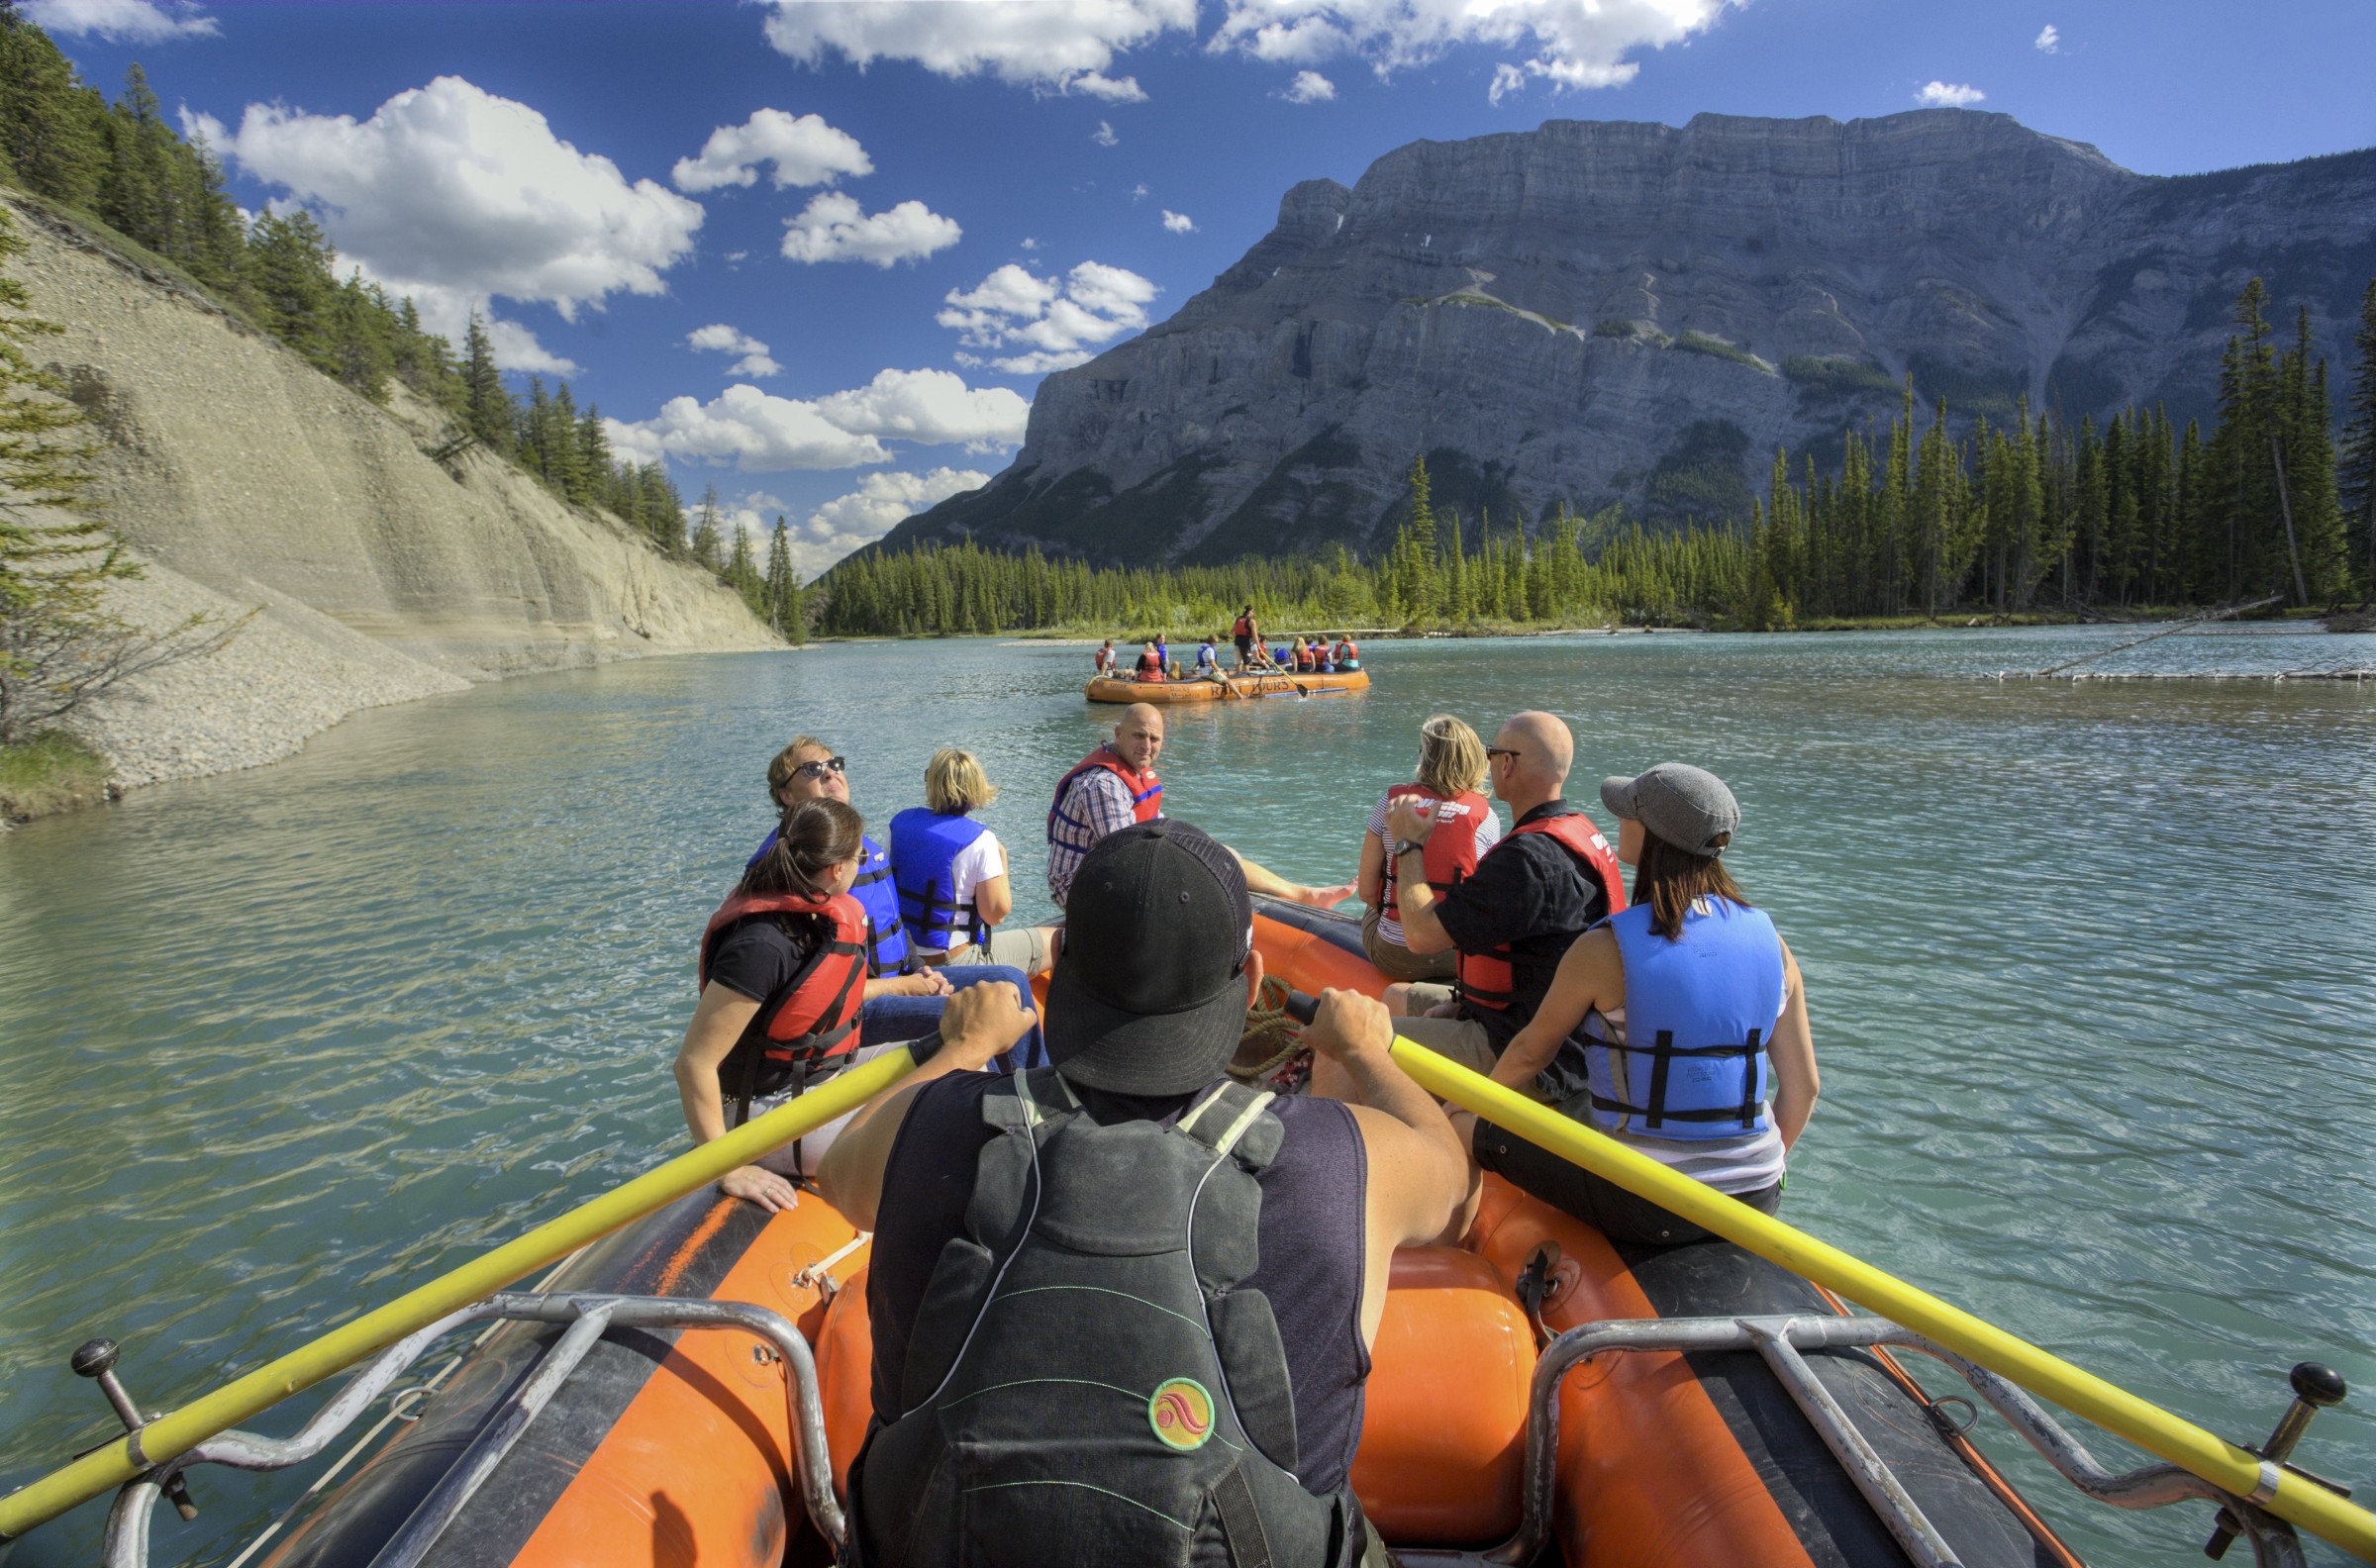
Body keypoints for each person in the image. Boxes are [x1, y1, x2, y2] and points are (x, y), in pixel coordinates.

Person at [819, 821, 1467, 1568]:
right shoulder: (1344, 1158)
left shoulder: (931, 1125)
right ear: (1252, 981)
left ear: (1057, 965)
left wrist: (964, 1050)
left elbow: (839, 1175)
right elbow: (1450, 1186)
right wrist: (1366, 1053)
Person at [1464, 763, 1818, 1246]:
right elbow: (1805, 1089)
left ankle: (1454, 1253)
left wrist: (1457, 1112)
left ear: (1652, 835)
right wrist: (1743, 1180)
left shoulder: (1607, 947)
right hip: (1757, 1196)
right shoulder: (1773, 944)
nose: (1619, 822)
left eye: (1628, 813)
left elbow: (1529, 1054)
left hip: (1643, 1201)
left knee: (1467, 1124)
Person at [680, 798, 1036, 1211]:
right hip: (770, 1113)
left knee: (965, 1054)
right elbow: (694, 1064)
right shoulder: (760, 946)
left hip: (823, 1075)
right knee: (950, 1114)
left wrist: (902, 987)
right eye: (859, 857)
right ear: (837, 870)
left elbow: (815, 1003)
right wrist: (727, 1168)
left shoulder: (816, 918)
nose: (861, 865)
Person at [1335, 712, 1625, 1084]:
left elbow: (1421, 937)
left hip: (1518, 1048)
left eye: (1492, 752)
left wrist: (1409, 843)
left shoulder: (1524, 862)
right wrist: (1462, 1006)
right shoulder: (1569, 835)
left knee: (1346, 1039)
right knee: (1394, 997)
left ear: (1506, 764)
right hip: (1537, 1025)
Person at [1045, 703, 1354, 913]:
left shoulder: (1135, 773)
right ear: (1118, 735)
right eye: (1139, 735)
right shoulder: (1104, 784)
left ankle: (1302, 894)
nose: (1146, 745)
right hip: (1079, 887)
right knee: (1202, 876)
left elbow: (1152, 830)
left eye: (1154, 738)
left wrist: (1204, 850)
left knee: (1221, 854)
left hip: (1116, 870)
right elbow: (1129, 855)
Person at [1354, 716, 1502, 984]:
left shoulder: (1390, 805)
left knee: (1379, 892)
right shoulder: (1487, 819)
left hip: (1395, 956)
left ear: (1425, 758)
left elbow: (1365, 891)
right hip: (1456, 958)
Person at [888, 747, 1056, 978]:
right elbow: (995, 916)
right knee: (1056, 939)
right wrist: (1002, 857)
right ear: (976, 787)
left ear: (931, 782)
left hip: (904, 959)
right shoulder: (981, 840)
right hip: (955, 962)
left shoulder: (897, 825)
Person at [1233, 604, 1259, 672]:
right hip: (1245, 643)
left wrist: (1237, 636)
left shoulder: (1238, 619)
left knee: (1238, 662)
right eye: (1253, 611)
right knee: (1246, 662)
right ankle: (1246, 677)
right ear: (1249, 611)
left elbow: (1231, 631)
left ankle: (1237, 677)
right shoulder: (1252, 621)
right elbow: (1255, 635)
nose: (1253, 613)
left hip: (1237, 641)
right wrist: (1258, 646)